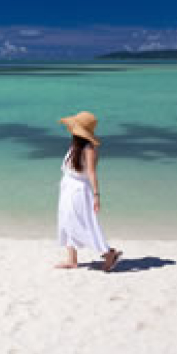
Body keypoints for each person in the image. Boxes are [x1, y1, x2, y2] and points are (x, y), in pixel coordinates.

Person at [55, 111, 122, 272]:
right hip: (68, 188)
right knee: (67, 221)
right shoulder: (75, 147)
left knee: (83, 223)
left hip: (79, 190)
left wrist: (96, 195)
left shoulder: (89, 149)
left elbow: (91, 173)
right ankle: (72, 259)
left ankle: (108, 253)